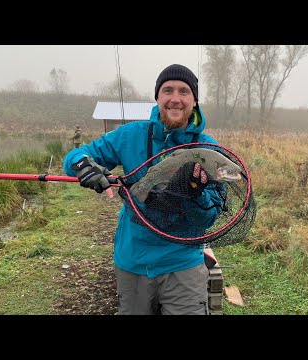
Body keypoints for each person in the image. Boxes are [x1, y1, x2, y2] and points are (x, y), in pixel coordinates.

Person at [63, 64, 224, 315]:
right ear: (158, 97)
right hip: (133, 260)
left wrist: (194, 196)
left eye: (184, 91)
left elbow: (210, 216)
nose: (175, 98)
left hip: (183, 262)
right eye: (167, 90)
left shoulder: (210, 151)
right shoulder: (130, 135)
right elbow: (78, 155)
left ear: (195, 100)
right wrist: (83, 165)